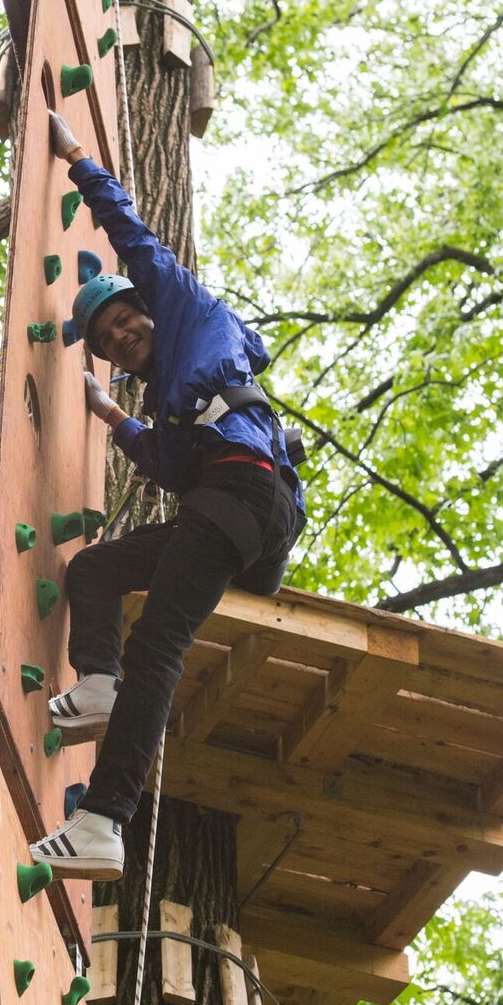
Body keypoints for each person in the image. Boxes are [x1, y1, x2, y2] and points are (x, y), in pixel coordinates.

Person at [28, 111, 307, 881]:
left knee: (157, 646)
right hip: (233, 505)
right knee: (94, 571)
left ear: (150, 309)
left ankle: (103, 820)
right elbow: (172, 467)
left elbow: (134, 237)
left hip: (245, 491)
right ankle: (97, 681)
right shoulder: (176, 408)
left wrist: (77, 158)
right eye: (107, 341)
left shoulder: (192, 313)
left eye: (125, 321)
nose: (120, 338)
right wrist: (113, 416)